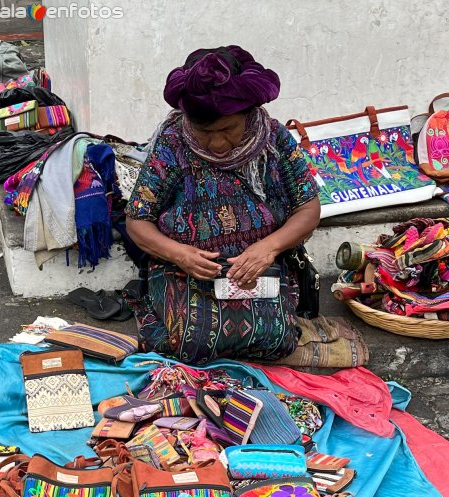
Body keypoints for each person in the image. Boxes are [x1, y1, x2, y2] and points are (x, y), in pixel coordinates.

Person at [125, 45, 321, 364]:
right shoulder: (173, 142)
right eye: (205, 132)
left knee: (277, 340)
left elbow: (308, 207)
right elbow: (137, 221)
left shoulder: (274, 138)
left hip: (259, 268)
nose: (217, 143)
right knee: (193, 342)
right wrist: (181, 254)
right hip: (186, 272)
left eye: (228, 130)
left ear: (250, 114)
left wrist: (268, 249)